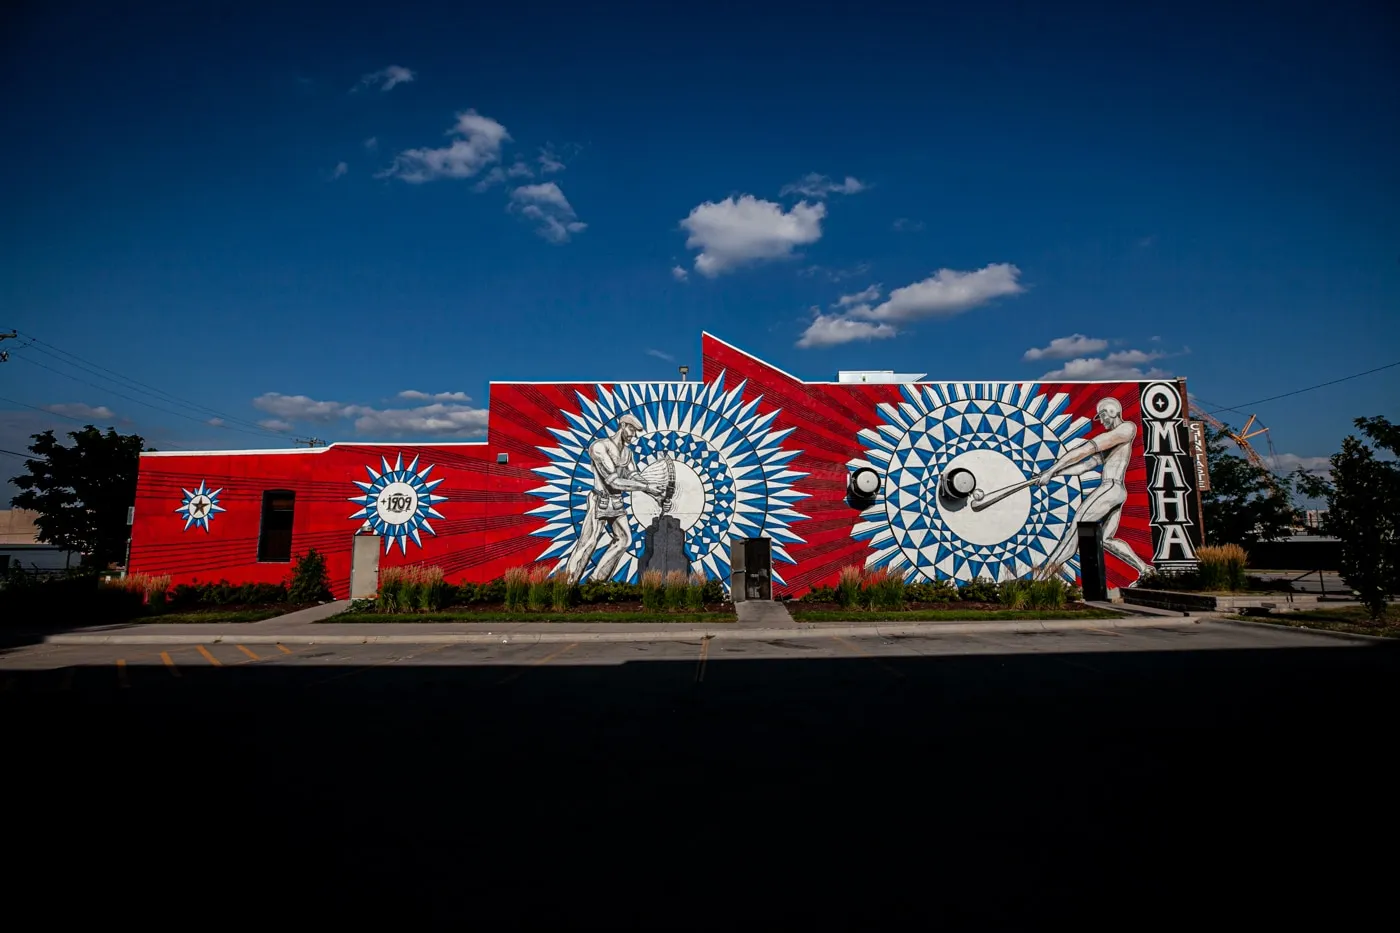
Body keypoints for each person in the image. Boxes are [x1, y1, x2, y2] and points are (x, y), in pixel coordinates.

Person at [1034, 397, 1153, 580]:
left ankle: (1041, 579)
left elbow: (1086, 450)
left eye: (1103, 415)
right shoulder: (1114, 441)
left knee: (1074, 532)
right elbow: (1085, 466)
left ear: (1112, 412)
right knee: (1106, 540)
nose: (1102, 420)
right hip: (1116, 491)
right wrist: (1052, 475)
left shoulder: (1126, 428)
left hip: (1110, 488)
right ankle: (1146, 570)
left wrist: (1051, 470)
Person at [564, 414, 669, 582]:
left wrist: (655, 493)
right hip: (600, 500)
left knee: (624, 539)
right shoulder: (599, 447)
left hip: (616, 502)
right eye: (632, 430)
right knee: (588, 543)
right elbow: (615, 482)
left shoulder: (627, 453)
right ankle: (566, 584)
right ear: (623, 426)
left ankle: (596, 580)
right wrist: (648, 487)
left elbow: (634, 476)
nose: (634, 435)